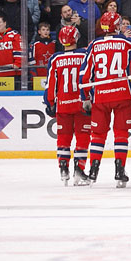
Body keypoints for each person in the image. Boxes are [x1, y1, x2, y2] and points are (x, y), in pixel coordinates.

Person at [77, 12, 131, 187]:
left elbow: (84, 75)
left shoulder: (94, 44)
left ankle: (93, 171)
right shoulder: (125, 41)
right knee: (121, 134)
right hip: (122, 94)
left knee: (97, 135)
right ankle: (120, 172)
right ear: (117, 26)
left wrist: (85, 97)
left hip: (101, 96)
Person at [43, 23, 90, 184]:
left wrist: (50, 102)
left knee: (63, 137)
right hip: (81, 103)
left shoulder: (55, 58)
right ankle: (79, 169)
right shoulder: (84, 54)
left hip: (63, 104)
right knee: (83, 136)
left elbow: (51, 84)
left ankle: (63, 169)